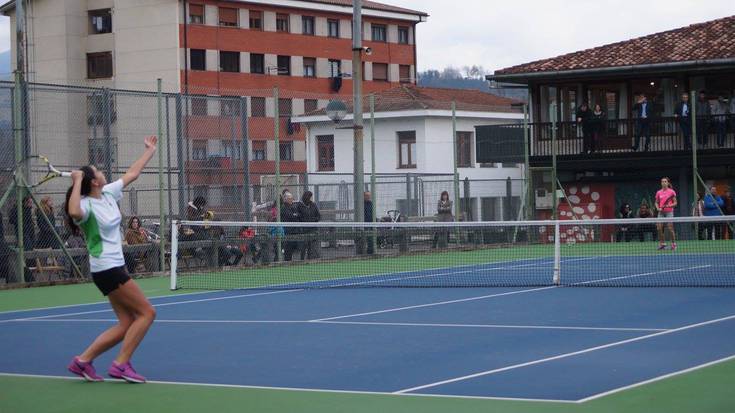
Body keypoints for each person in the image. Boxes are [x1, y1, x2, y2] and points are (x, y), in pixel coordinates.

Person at [65, 135, 158, 383]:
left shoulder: (106, 194)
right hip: (107, 268)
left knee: (127, 321)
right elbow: (73, 211)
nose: (102, 171)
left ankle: (82, 361)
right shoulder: (84, 206)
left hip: (114, 266)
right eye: (97, 171)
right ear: (93, 181)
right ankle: (120, 364)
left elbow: (132, 174)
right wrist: (76, 181)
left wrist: (150, 151)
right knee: (147, 313)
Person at [9, 195, 37, 282]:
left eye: (31, 203)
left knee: (30, 248)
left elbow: (29, 221)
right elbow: (11, 220)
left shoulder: (28, 210)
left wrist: (31, 225)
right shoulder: (16, 209)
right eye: (29, 202)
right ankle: (26, 270)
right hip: (22, 233)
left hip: (29, 232)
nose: (30, 204)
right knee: (26, 249)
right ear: (24, 202)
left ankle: (28, 270)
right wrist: (20, 221)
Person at [654, 177, 677, 250]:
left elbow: (675, 203)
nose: (663, 183)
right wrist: (658, 208)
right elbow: (656, 202)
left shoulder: (672, 192)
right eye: (662, 182)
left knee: (670, 228)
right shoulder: (658, 192)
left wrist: (668, 205)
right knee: (659, 228)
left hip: (669, 212)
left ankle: (673, 244)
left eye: (665, 181)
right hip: (661, 212)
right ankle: (662, 244)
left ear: (668, 183)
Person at [298, 191, 321, 260]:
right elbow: (299, 217)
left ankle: (310, 259)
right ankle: (302, 260)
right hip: (304, 230)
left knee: (312, 247)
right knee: (303, 247)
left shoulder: (313, 205)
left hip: (313, 229)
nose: (311, 198)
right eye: (310, 196)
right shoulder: (299, 205)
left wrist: (314, 220)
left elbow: (318, 216)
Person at [280, 191, 301, 261]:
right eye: (290, 198)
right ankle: (287, 261)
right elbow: (290, 216)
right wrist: (294, 215)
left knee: (294, 247)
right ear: (286, 199)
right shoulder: (283, 207)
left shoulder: (293, 206)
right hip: (287, 231)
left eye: (292, 198)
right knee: (288, 248)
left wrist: (295, 215)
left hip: (295, 231)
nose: (291, 200)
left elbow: (298, 215)